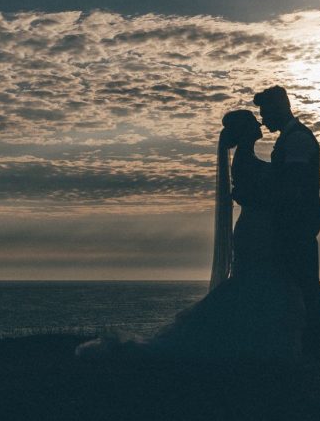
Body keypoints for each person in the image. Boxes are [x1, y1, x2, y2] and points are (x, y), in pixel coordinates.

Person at [75, 108, 305, 363]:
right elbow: (253, 194)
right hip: (255, 230)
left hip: (260, 227)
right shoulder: (243, 160)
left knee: (257, 282)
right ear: (244, 131)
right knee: (253, 281)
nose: (259, 123)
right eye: (253, 121)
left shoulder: (247, 157)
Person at [253, 86, 320, 362]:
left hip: (299, 220)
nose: (263, 121)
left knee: (306, 281)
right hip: (295, 219)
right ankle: (304, 344)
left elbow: (294, 184)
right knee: (297, 280)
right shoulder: (290, 137)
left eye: (266, 114)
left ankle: (313, 347)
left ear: (279, 109)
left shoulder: (297, 140)